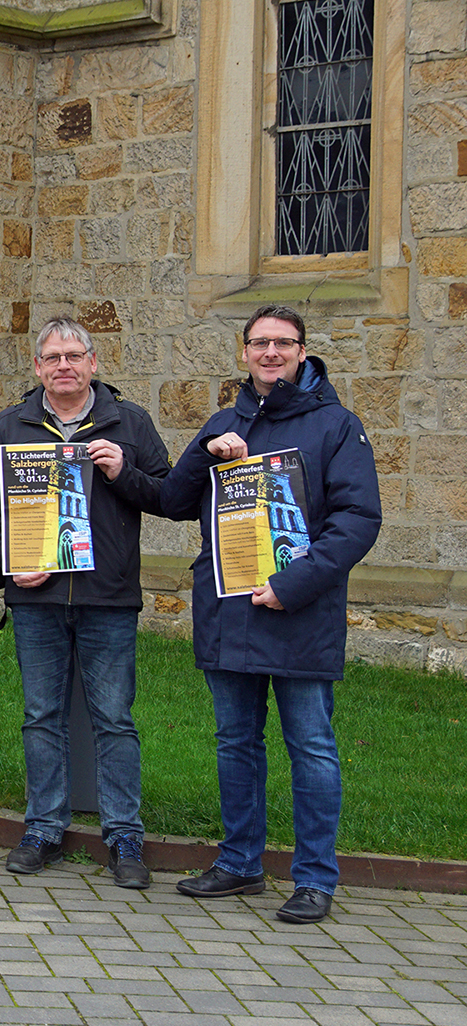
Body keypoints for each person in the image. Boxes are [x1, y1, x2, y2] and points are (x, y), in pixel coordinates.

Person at [160, 305, 380, 924]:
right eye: (260, 343)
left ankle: (314, 878)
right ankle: (239, 864)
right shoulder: (225, 421)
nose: (271, 353)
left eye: (284, 343)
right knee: (235, 742)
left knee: (309, 746)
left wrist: (294, 584)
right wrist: (207, 451)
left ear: (303, 352)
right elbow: (174, 500)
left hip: (298, 613)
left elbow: (358, 521)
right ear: (245, 352)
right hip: (230, 612)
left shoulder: (337, 426)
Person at [0, 317, 169, 888]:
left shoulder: (128, 423)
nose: (64, 366)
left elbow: (168, 494)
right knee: (41, 715)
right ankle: (44, 827)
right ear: (37, 367)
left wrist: (123, 471)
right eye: (53, 357)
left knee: (115, 718)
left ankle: (124, 834)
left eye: (74, 356)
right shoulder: (12, 425)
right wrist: (11, 558)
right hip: (38, 597)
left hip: (108, 596)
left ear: (93, 363)